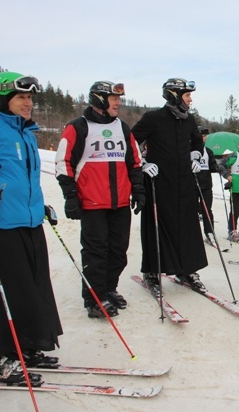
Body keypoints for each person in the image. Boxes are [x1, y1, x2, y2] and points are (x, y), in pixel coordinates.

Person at [0, 72, 62, 383]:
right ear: (4, 100)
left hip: (29, 223)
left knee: (31, 289)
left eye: (30, 98)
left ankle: (26, 345)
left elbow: (22, 179)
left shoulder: (28, 134)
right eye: (21, 98)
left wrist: (39, 206)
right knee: (1, 293)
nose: (28, 103)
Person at [55, 81, 146, 318]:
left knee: (118, 251)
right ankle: (94, 298)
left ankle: (108, 288)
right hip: (92, 203)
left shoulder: (123, 128)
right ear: (98, 100)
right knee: (96, 253)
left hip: (120, 204)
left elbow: (135, 162)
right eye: (113, 98)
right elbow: (63, 163)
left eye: (119, 99)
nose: (118, 103)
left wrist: (138, 190)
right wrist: (71, 196)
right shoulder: (78, 127)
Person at [131, 78, 208, 291]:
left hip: (184, 181)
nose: (190, 99)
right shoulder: (153, 118)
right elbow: (130, 142)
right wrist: (143, 163)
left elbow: (196, 142)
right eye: (187, 95)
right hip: (159, 181)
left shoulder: (189, 119)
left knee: (187, 226)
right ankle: (152, 272)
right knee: (158, 226)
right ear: (174, 95)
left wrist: (195, 155)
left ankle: (187, 270)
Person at [196, 126, 219, 244]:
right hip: (192, 185)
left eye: (204, 136)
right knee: (191, 209)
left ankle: (209, 233)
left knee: (207, 210)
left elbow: (212, 166)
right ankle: (192, 233)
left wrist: (217, 167)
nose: (203, 138)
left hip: (206, 185)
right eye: (201, 135)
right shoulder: (188, 150)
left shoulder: (208, 151)